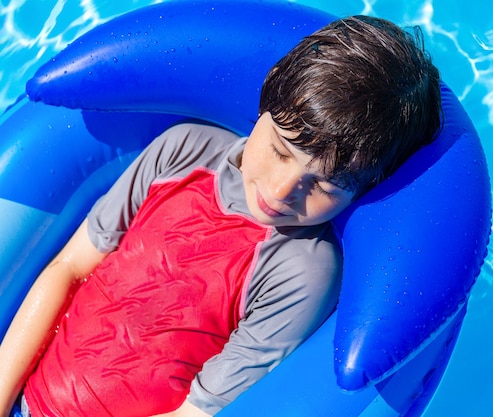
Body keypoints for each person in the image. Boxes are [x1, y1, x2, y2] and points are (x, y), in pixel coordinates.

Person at [0, 15, 442, 417]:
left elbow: (193, 414)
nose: (280, 191)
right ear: (266, 95)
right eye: (279, 150)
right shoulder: (182, 149)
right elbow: (70, 268)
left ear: (366, 189)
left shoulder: (303, 268)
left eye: (325, 185)